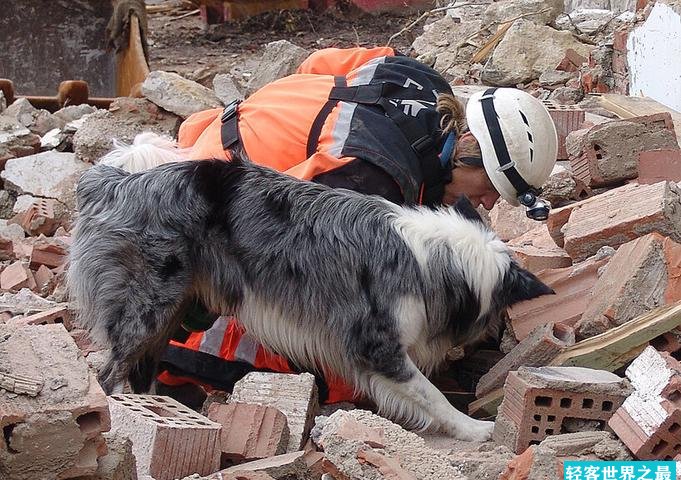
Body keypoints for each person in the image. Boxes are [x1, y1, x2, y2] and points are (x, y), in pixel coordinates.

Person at [109, 46, 558, 405]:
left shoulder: (411, 74)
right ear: (467, 146)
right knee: (344, 372)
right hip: (208, 218)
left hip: (221, 135)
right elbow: (273, 248)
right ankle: (178, 355)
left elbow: (314, 65)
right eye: (492, 186)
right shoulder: (366, 178)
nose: (489, 203)